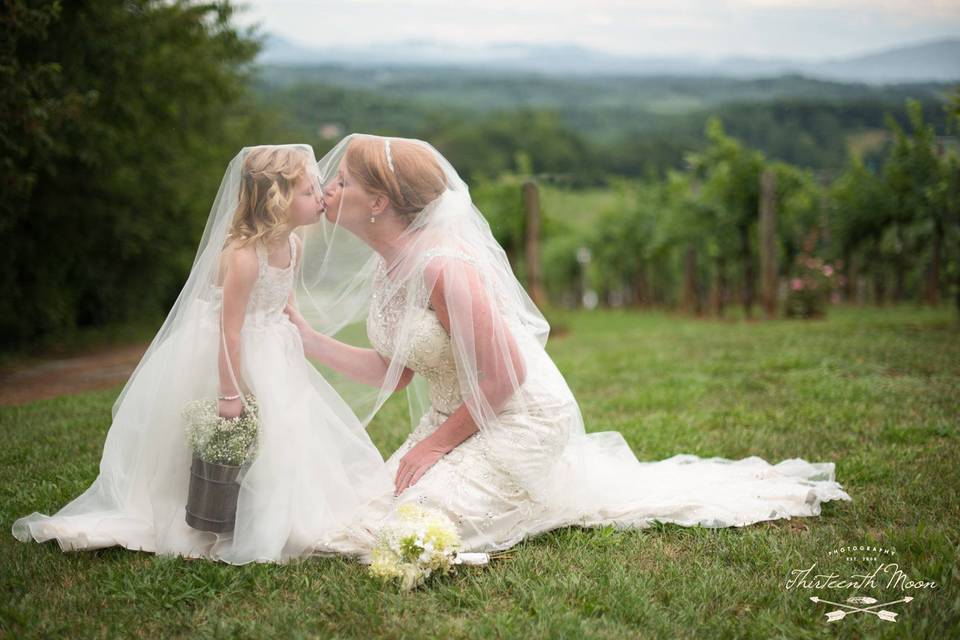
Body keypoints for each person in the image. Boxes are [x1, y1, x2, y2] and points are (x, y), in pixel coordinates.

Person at [286, 134, 852, 561]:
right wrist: (310, 340)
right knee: (362, 514)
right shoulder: (390, 269)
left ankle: (526, 492)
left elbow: (504, 377)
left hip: (517, 417)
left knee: (403, 528)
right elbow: (397, 370)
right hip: (460, 414)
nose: (328, 189)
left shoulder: (443, 267)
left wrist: (430, 447)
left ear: (379, 201)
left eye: (342, 182)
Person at [12, 145, 392, 564]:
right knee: (225, 436)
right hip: (229, 355)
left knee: (283, 430)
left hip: (273, 348)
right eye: (306, 193)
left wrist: (295, 331)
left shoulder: (294, 246)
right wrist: (229, 393)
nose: (320, 198)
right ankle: (204, 507)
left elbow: (283, 301)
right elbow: (229, 332)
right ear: (276, 202)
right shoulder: (245, 256)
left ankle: (275, 506)